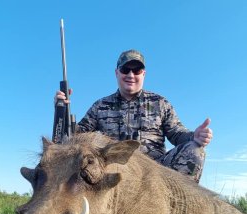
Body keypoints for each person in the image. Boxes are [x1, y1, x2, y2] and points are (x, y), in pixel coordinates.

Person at [54, 49, 213, 182]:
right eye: (125, 70)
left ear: (143, 74)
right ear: (117, 73)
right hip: (113, 172)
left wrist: (195, 137)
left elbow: (177, 134)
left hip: (155, 173)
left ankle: (178, 212)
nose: (131, 75)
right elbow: (73, 137)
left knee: (195, 150)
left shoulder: (160, 103)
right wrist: (61, 110)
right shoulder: (100, 106)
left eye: (136, 70)